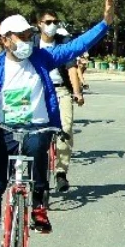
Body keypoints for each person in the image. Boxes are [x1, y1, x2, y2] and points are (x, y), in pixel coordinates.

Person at [0, 0, 115, 247]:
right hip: (2, 132)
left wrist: (105, 23)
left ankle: (37, 205)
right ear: (5, 40)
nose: (26, 40)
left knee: (38, 145)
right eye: (20, 36)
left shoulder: (42, 58)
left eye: (28, 34)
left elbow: (75, 47)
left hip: (36, 127)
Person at [36, 11, 84, 193]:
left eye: (55, 21)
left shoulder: (63, 43)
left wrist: (77, 92)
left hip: (61, 89)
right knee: (36, 131)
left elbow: (71, 68)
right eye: (48, 21)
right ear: (39, 23)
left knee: (66, 128)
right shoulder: (32, 43)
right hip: (38, 91)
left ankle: (61, 172)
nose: (52, 25)